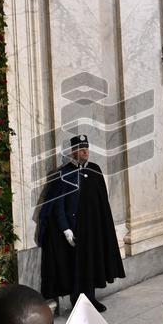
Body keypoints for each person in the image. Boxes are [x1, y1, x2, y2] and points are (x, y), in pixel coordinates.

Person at [39, 134, 124, 313]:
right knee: (76, 267)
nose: (85, 151)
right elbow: (57, 205)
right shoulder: (63, 174)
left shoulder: (95, 170)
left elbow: (102, 200)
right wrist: (65, 229)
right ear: (73, 151)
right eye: (81, 148)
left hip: (94, 229)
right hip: (75, 229)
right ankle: (78, 301)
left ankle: (91, 299)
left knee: (92, 263)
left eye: (87, 147)